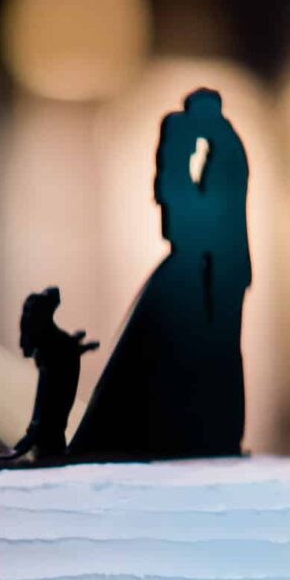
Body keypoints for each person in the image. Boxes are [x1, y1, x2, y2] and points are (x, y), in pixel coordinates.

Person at [68, 88, 250, 461]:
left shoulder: (224, 151)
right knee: (204, 346)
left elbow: (208, 208)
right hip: (210, 264)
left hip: (215, 267)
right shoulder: (213, 146)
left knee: (213, 348)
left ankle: (207, 432)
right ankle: (200, 431)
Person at [0, 287, 98, 471]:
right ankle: (42, 443)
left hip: (55, 370)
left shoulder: (50, 328)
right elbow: (50, 346)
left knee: (55, 408)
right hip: (51, 371)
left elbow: (59, 347)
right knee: (49, 408)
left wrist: (75, 346)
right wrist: (73, 347)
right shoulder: (39, 314)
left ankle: (46, 444)